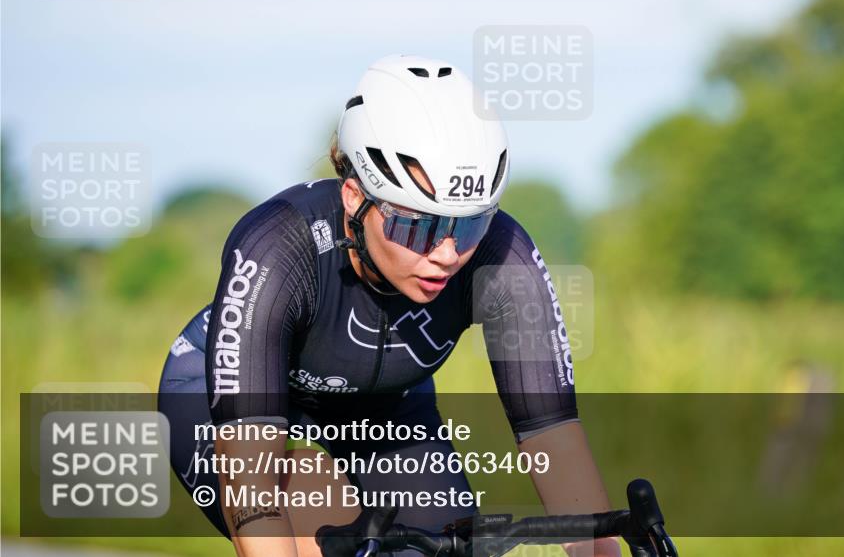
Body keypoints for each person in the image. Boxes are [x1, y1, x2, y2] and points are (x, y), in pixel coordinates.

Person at [157, 55, 619, 557]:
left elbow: (553, 437)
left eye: (467, 224)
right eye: (417, 225)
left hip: (389, 409)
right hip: (226, 398)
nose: (446, 254)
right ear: (355, 198)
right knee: (355, 543)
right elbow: (255, 496)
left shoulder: (500, 256)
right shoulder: (279, 248)